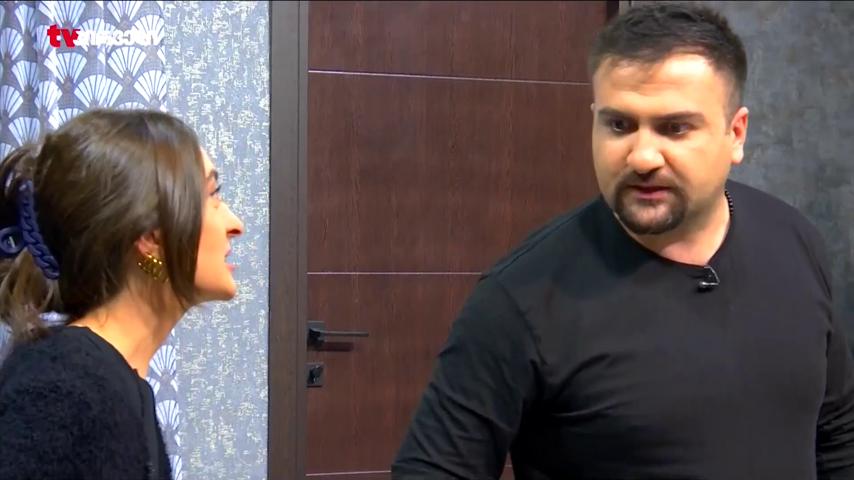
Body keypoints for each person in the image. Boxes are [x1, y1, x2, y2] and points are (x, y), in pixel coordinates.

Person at [392, 3, 854, 479]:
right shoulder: (521, 298)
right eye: (619, 125)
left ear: (735, 134)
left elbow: (837, 434)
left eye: (674, 128)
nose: (642, 157)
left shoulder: (795, 241)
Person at [0, 109, 244, 479]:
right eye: (212, 196)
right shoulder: (61, 386)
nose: (236, 225)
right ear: (151, 238)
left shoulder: (115, 384)